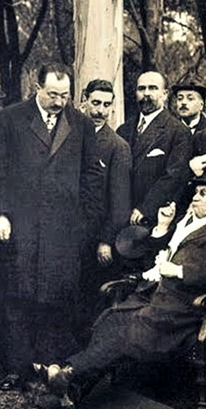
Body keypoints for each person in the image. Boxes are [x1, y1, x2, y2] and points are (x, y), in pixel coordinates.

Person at [33, 166, 206, 409]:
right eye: (195, 191)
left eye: (204, 192)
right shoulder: (186, 221)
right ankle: (71, 387)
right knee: (113, 321)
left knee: (131, 328)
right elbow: (152, 255)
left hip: (183, 305)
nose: (195, 197)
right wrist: (163, 227)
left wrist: (181, 272)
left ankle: (68, 373)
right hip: (154, 294)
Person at [0, 63, 104, 391]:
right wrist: (0, 214)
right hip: (20, 226)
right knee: (18, 296)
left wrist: (85, 223)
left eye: (65, 95)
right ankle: (16, 368)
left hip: (63, 231)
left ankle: (51, 363)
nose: (59, 101)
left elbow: (92, 176)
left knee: (56, 298)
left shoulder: (80, 123)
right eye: (53, 94)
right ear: (36, 87)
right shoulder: (11, 118)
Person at [117, 71, 192, 228]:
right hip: (121, 215)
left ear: (164, 94)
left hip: (151, 218)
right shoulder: (123, 130)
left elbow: (173, 176)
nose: (146, 94)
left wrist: (145, 208)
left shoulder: (178, 132)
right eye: (141, 89)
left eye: (153, 88)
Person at [80, 80, 132, 308]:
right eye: (95, 103)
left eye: (106, 104)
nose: (100, 110)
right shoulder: (71, 137)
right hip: (68, 235)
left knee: (91, 298)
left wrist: (105, 240)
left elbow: (120, 202)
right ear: (84, 100)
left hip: (95, 237)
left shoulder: (117, 146)